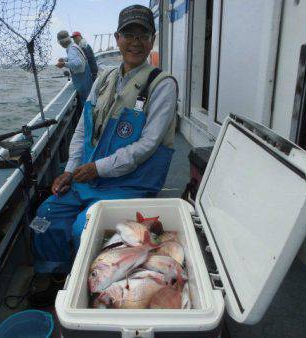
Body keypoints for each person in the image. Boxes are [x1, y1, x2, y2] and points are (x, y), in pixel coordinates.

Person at [31, 5, 178, 305]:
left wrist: (98, 168)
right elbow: (83, 131)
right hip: (89, 179)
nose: (135, 42)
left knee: (82, 229)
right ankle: (59, 275)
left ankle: (88, 291)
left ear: (152, 40)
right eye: (129, 34)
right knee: (45, 215)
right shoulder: (103, 79)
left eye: (143, 34)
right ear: (117, 38)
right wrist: (71, 170)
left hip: (130, 184)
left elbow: (147, 146)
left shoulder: (162, 85)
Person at [56, 30, 93, 104]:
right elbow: (76, 58)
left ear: (61, 43)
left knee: (86, 102)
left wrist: (63, 64)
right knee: (90, 99)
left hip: (82, 79)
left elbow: (77, 63)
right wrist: (65, 59)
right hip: (86, 77)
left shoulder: (71, 49)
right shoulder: (74, 46)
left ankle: (88, 115)